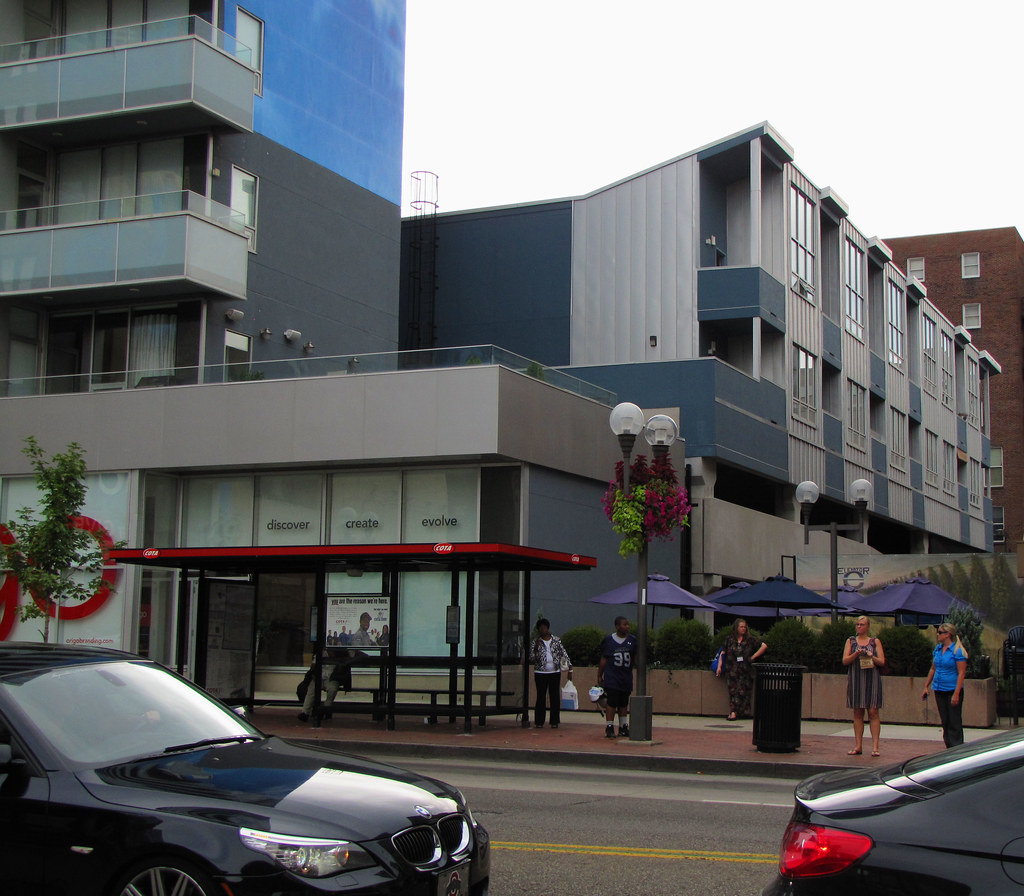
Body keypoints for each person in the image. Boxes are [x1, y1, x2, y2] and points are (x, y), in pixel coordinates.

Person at [842, 616, 885, 757]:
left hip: (871, 678)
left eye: (862, 624)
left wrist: (871, 656)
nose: (859, 627)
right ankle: (858, 745)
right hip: (856, 678)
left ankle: (875, 746)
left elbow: (882, 661)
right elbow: (845, 660)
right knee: (857, 712)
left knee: (873, 711)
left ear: (868, 626)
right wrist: (856, 653)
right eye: (857, 624)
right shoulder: (851, 641)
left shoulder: (875, 641)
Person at [922, 622, 968, 748]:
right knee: (945, 720)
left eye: (940, 633)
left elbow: (961, 673)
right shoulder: (938, 650)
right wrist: (926, 686)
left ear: (948, 635)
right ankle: (948, 745)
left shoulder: (957, 651)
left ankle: (957, 746)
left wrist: (956, 693)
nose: (938, 635)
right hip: (939, 688)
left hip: (952, 689)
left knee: (954, 720)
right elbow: (933, 668)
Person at [715, 618, 766, 721]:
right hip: (731, 669)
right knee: (733, 691)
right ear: (736, 628)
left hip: (746, 670)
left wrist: (753, 657)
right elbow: (722, 653)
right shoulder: (729, 639)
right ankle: (733, 712)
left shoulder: (750, 639)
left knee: (743, 691)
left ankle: (742, 712)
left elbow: (764, 646)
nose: (743, 629)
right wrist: (719, 666)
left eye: (744, 627)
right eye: (741, 627)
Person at [597, 616, 638, 738]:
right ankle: (609, 726)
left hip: (625, 677)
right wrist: (600, 675)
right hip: (612, 676)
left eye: (628, 624)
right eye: (625, 625)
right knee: (612, 702)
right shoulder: (609, 640)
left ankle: (623, 726)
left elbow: (635, 657)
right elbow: (604, 659)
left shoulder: (632, 640)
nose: (627, 627)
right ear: (617, 626)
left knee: (623, 702)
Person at [529, 618, 572, 729]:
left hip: (554, 671)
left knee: (554, 696)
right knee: (541, 696)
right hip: (540, 672)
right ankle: (539, 721)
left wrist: (570, 667)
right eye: (540, 628)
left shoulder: (556, 640)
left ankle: (554, 721)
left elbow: (563, 653)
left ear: (547, 628)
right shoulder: (536, 642)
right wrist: (536, 649)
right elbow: (532, 658)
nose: (543, 630)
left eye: (544, 627)